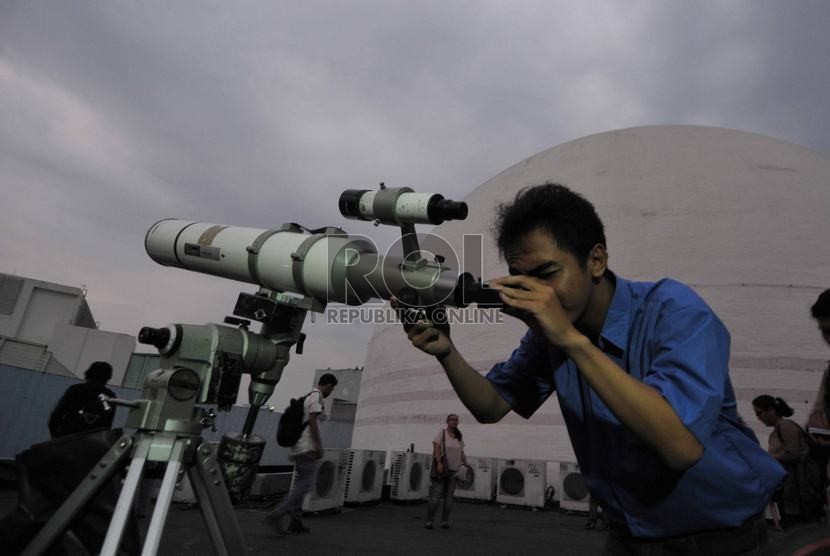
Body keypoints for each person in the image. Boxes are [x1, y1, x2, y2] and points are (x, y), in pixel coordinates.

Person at [400, 183, 785, 554]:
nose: (538, 295)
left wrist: (569, 339)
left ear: (596, 260)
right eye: (524, 278)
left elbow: (680, 446)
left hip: (719, 540)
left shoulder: (674, 312)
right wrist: (447, 352)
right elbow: (490, 406)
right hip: (627, 536)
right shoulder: (551, 333)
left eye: (548, 274)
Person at [263, 373, 338, 537]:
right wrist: (318, 444)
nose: (331, 392)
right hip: (306, 448)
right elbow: (312, 421)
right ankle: (278, 513)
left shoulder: (308, 397)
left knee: (300, 484)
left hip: (298, 447)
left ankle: (295, 522)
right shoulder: (317, 397)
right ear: (328, 385)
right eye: (332, 389)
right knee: (304, 485)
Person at [753, 395, 817, 528]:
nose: (758, 418)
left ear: (771, 410)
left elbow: (793, 453)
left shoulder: (786, 426)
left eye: (759, 413)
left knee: (799, 530)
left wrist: (768, 457)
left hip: (798, 489)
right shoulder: (774, 433)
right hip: (786, 490)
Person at [48, 361, 116, 438]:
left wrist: (56, 439)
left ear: (89, 373)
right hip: (93, 444)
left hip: (68, 439)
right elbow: (107, 426)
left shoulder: (75, 390)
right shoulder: (110, 396)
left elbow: (55, 417)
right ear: (107, 377)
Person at [425, 413, 468, 530]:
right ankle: (429, 521)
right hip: (442, 469)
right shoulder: (442, 432)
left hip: (454, 470)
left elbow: (461, 451)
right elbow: (436, 447)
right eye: (452, 419)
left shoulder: (459, 435)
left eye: (456, 420)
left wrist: (465, 463)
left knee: (449, 496)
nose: (454, 421)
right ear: (447, 422)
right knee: (436, 495)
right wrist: (438, 462)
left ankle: (444, 521)